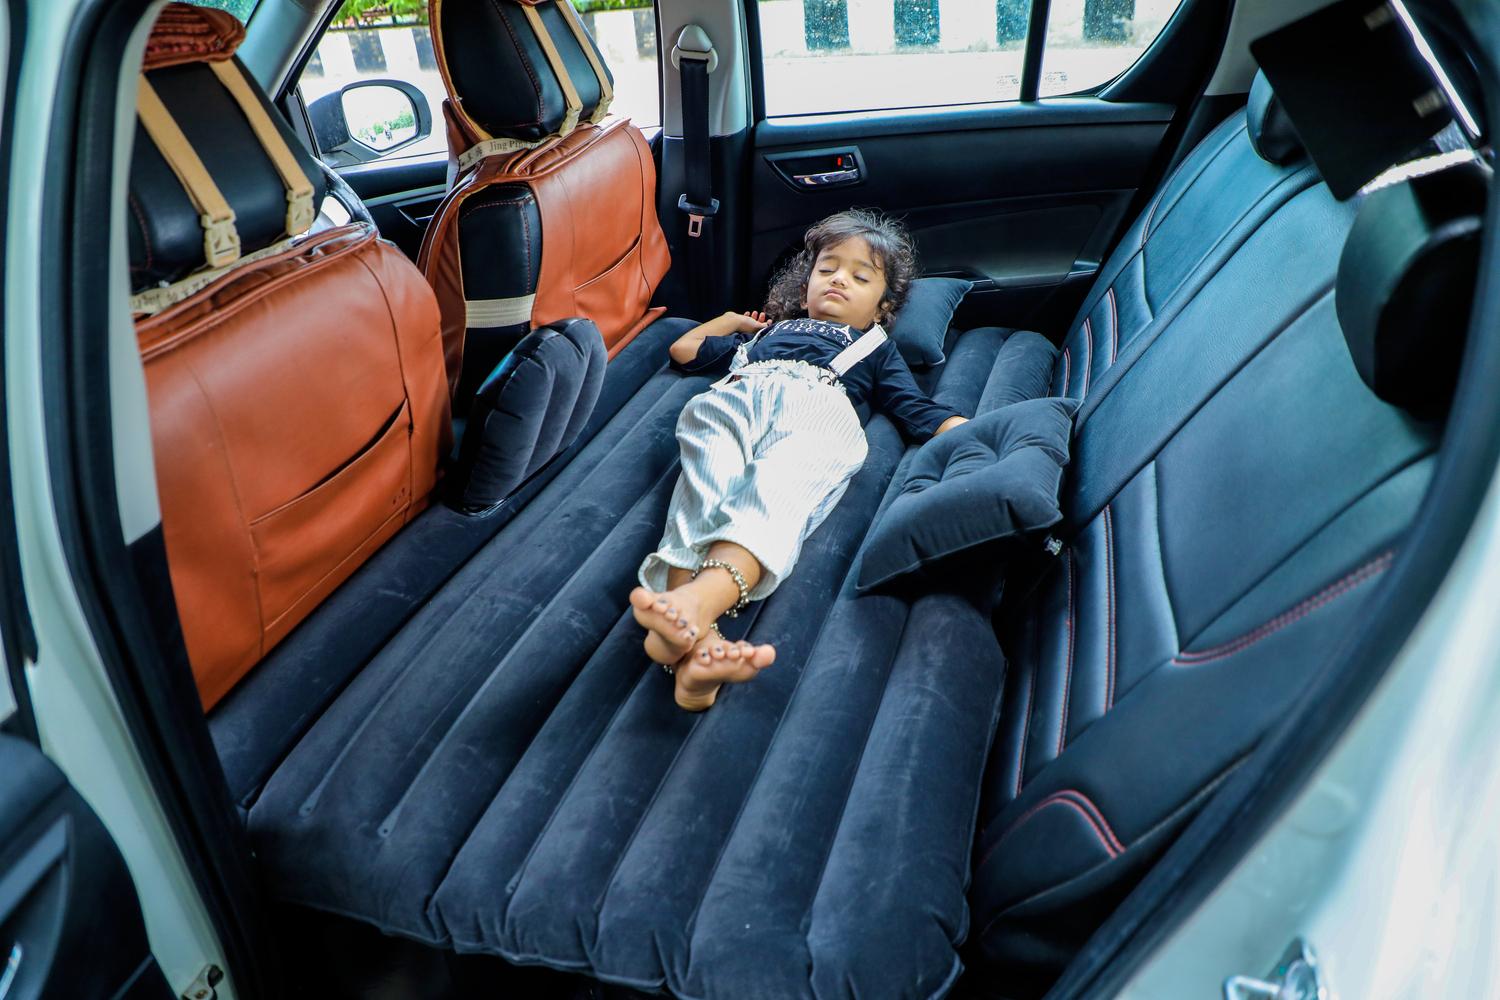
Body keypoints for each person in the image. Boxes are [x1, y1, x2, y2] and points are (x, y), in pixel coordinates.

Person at [630, 210, 969, 710]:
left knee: (775, 488)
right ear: (806, 285)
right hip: (737, 395)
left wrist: (973, 434)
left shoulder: (874, 347)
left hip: (817, 402)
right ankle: (698, 653)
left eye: (860, 277)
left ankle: (691, 610)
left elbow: (915, 409)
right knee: (704, 489)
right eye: (827, 269)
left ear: (882, 309)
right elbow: (684, 350)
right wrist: (735, 321)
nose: (838, 280)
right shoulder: (766, 335)